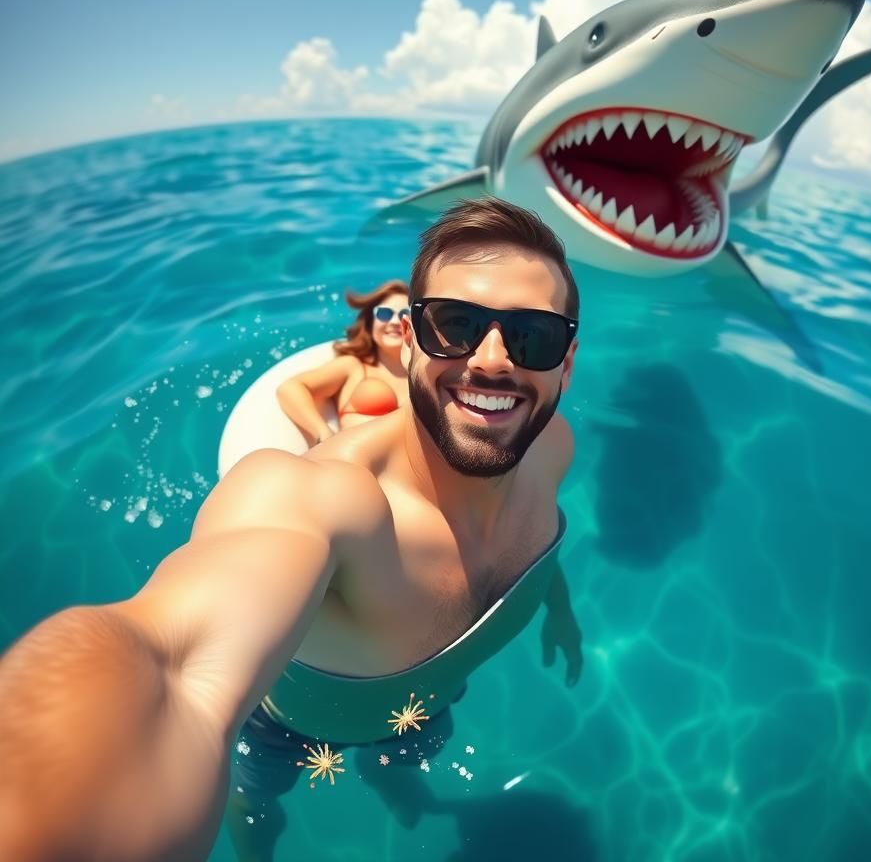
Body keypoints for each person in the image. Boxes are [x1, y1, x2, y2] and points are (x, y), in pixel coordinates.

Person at [0, 196, 584, 862]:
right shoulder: (334, 501)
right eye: (454, 325)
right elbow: (173, 661)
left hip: (425, 705)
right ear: (410, 345)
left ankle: (402, 796)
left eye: (531, 335)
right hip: (285, 732)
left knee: (406, 763)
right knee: (259, 806)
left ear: (565, 362)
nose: (492, 360)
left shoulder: (552, 448)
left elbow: (542, 550)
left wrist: (558, 612)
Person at [276, 280, 410, 445]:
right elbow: (290, 389)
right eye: (384, 314)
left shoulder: (424, 374)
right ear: (369, 322)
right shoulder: (354, 367)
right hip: (356, 464)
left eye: (405, 314)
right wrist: (323, 433)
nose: (395, 322)